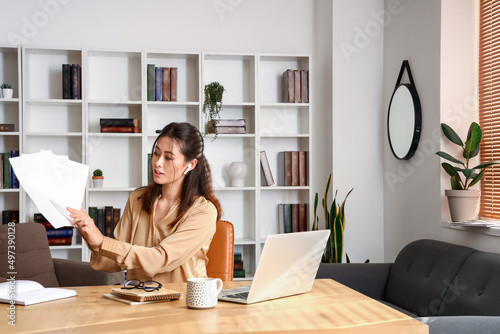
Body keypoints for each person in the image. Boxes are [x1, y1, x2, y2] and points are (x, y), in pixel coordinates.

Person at [67, 122, 222, 284]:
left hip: (184, 302)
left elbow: (161, 259)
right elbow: (113, 261)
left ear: (190, 165)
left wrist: (101, 241)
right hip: (138, 299)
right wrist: (89, 233)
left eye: (168, 157)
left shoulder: (204, 211)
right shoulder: (138, 199)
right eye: (156, 153)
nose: (157, 162)